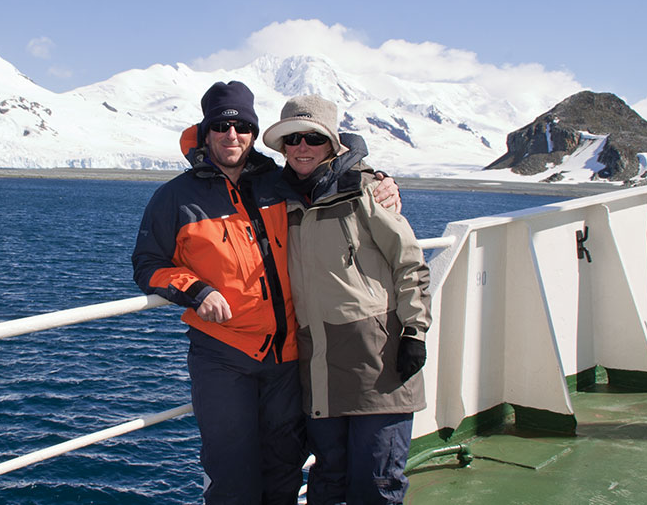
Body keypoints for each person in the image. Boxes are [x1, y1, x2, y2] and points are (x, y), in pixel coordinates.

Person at [131, 81, 400, 504]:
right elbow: (148, 265)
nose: (231, 135)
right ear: (206, 132)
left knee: (284, 467)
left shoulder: (281, 183)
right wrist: (196, 290)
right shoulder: (174, 198)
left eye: (241, 126)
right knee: (231, 471)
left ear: (254, 134)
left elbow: (333, 172)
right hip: (223, 354)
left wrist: (382, 181)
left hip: (288, 357)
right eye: (221, 126)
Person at [262, 94, 432, 505]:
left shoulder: (366, 191)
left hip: (377, 358)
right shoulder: (276, 200)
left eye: (312, 138)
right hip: (316, 361)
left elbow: (409, 263)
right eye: (292, 139)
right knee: (329, 479)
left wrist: (414, 332)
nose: (302, 147)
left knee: (377, 481)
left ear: (332, 144)